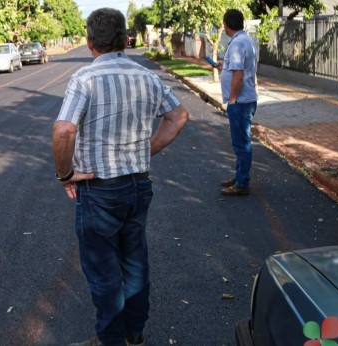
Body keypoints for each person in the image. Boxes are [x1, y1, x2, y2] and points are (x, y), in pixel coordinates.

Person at [52, 8, 190, 346]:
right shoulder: (146, 76)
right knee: (135, 263)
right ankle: (134, 335)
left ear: (89, 43)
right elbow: (178, 116)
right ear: (125, 40)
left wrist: (65, 174)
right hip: (138, 187)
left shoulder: (85, 79)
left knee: (103, 273)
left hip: (99, 190)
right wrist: (146, 151)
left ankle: (110, 339)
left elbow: (64, 130)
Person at [219, 9, 258, 196]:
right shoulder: (246, 39)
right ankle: (239, 176)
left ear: (226, 25)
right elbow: (238, 68)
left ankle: (242, 183)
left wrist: (232, 100)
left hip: (240, 101)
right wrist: (223, 66)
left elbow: (238, 74)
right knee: (241, 142)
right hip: (246, 99)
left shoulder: (236, 43)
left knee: (241, 143)